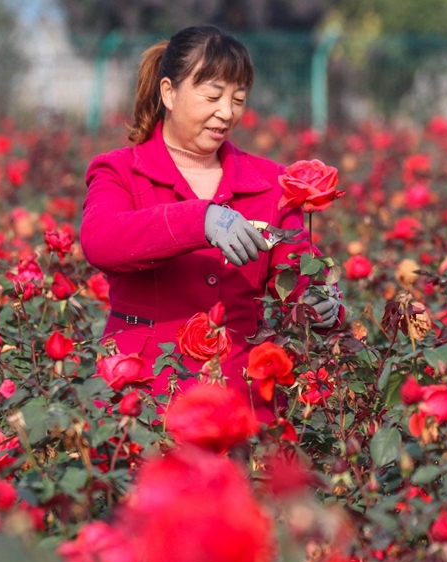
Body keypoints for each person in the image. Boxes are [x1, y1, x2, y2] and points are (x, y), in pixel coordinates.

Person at [80, 25, 343, 423]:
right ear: (169, 92)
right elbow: (101, 240)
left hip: (240, 398)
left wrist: (323, 304)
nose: (227, 112)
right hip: (144, 399)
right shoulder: (121, 171)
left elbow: (297, 272)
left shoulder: (269, 183)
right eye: (212, 95)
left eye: (238, 99)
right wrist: (199, 218)